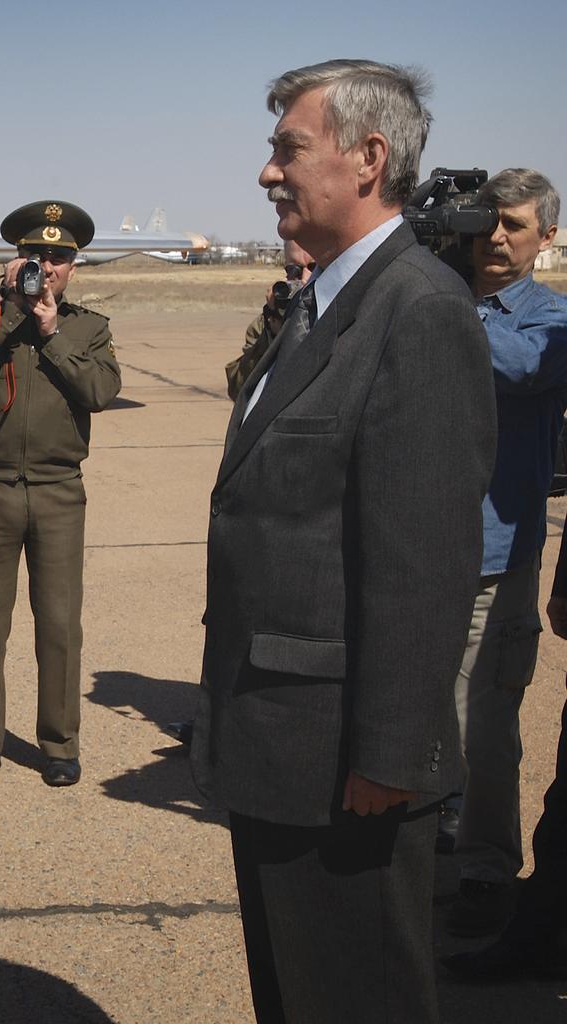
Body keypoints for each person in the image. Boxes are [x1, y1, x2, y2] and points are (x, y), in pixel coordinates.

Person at [190, 60, 496, 1023]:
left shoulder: (420, 311)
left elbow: (424, 563)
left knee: (359, 999)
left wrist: (391, 755)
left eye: (288, 147)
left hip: (347, 771)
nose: (267, 173)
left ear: (368, 159)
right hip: (284, 750)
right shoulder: (323, 302)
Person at [0, 201, 121, 787]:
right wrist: (8, 311)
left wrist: (51, 331)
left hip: (58, 492)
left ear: (73, 266)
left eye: (60, 257)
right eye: (37, 255)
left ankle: (60, 744)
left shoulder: (89, 328)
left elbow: (100, 391)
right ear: (15, 260)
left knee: (60, 625)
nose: (48, 265)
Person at [443, 168, 567, 936]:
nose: (495, 236)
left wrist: (438, 300)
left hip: (495, 553)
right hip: (411, 549)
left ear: (545, 237)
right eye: (486, 221)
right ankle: (424, 845)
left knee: (483, 726)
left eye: (515, 225)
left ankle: (486, 866)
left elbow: (525, 370)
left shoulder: (548, 320)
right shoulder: (435, 294)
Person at [443, 534, 567, 981]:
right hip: (424, 549)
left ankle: (493, 878)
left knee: (480, 731)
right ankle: (540, 928)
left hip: (496, 555)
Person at [225, 240, 315, 400]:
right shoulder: (267, 323)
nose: (304, 278)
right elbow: (238, 389)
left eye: (314, 268)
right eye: (294, 270)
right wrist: (272, 335)